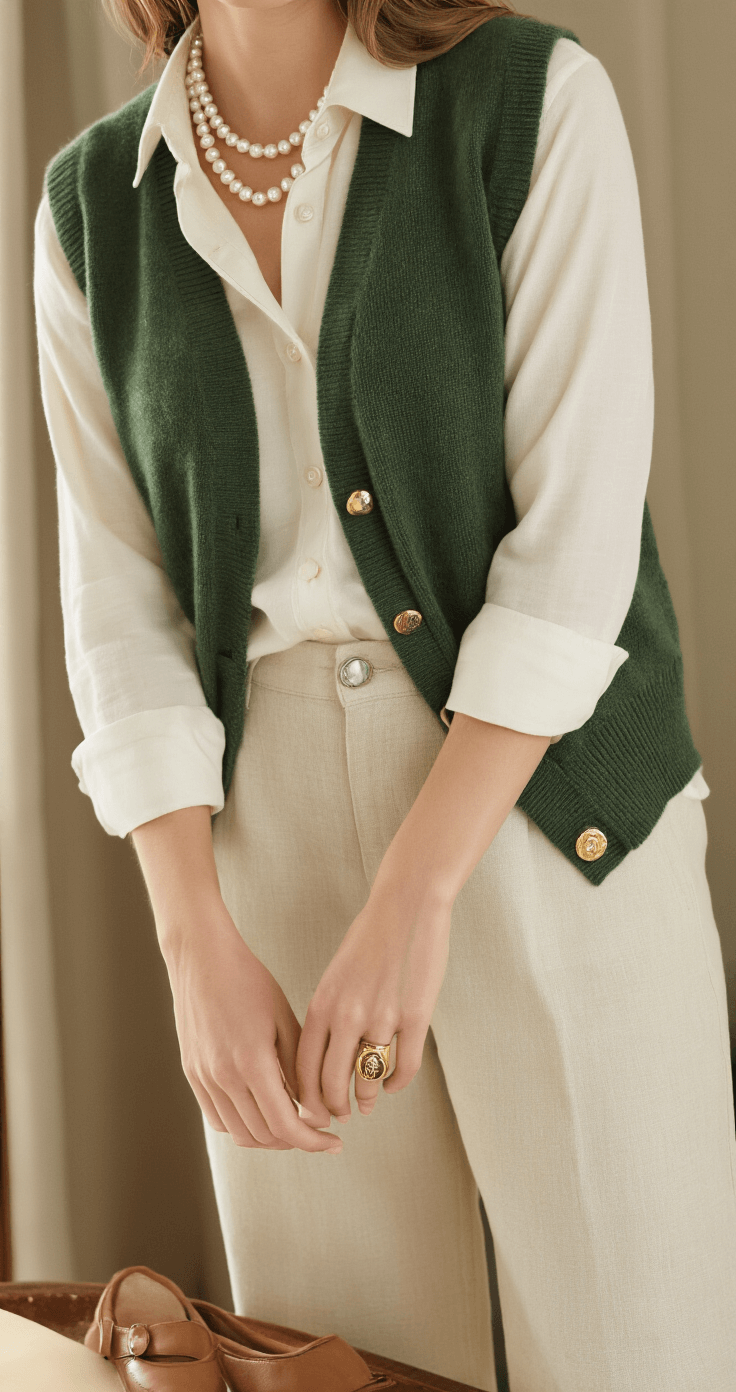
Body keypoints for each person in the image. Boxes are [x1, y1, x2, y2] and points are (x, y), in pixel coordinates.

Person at [34, 0, 736, 1387]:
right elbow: (116, 608)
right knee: (340, 1364)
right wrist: (193, 946)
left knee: (638, 1350)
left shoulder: (535, 101)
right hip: (262, 867)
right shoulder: (87, 209)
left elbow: (574, 549)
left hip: (545, 809)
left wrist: (417, 896)